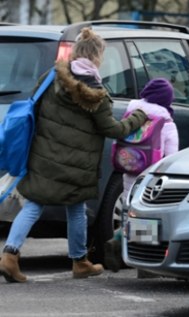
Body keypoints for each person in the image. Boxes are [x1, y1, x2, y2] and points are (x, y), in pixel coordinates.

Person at [0, 27, 148, 283]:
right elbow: (111, 128)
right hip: (77, 165)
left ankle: (9, 256)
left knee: (34, 203)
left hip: (44, 156)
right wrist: (138, 118)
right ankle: (80, 262)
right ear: (97, 56)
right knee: (76, 209)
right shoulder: (96, 94)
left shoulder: (51, 76)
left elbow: (35, 107)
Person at [104, 77, 179, 273]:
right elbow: (172, 157)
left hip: (129, 171)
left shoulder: (132, 113)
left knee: (130, 213)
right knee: (147, 218)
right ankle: (144, 267)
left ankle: (118, 240)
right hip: (151, 176)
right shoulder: (166, 123)